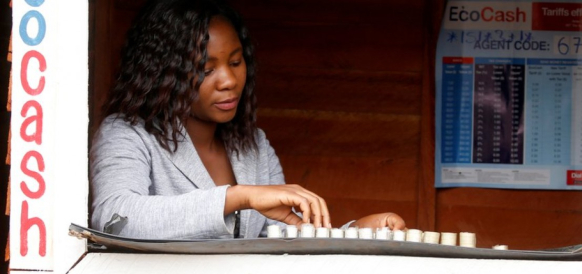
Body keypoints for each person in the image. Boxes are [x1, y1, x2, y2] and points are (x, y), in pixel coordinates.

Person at [90, 0, 405, 239]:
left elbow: (281, 237)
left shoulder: (252, 146)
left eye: (236, 62)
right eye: (205, 68)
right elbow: (116, 218)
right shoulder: (128, 134)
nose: (228, 80)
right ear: (163, 72)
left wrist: (356, 232)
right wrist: (240, 196)